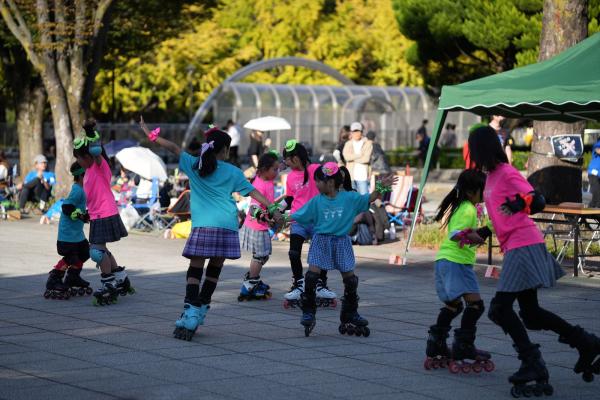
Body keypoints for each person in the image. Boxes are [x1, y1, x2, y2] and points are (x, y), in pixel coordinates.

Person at [469, 126, 600, 395]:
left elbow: (537, 199)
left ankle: (533, 362)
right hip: (515, 245)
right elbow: (500, 214)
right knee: (531, 314)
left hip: (524, 244)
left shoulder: (506, 172)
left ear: (480, 148)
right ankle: (586, 343)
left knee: (500, 309)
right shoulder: (491, 176)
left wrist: (521, 203)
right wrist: (481, 233)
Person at [140, 117, 281, 341]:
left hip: (204, 225)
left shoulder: (194, 164)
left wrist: (151, 135)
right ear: (224, 150)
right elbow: (253, 192)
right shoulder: (233, 171)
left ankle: (191, 310)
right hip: (227, 226)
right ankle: (201, 309)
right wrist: (272, 208)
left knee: (195, 270)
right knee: (214, 270)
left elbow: (174, 148)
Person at [290, 162, 396, 336]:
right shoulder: (317, 201)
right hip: (321, 241)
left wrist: (380, 188)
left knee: (350, 280)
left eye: (318, 181)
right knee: (311, 277)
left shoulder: (349, 198)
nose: (316, 184)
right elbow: (298, 215)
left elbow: (369, 198)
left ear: (330, 182)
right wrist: (279, 218)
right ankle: (308, 311)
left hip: (341, 242)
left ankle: (350, 312)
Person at [424, 169, 494, 373]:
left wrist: (479, 232)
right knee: (476, 306)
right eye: (483, 189)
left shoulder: (462, 206)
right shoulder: (468, 209)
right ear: (472, 191)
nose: (486, 193)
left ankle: (436, 343)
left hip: (445, 261)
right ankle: (464, 346)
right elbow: (456, 233)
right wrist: (471, 236)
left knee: (454, 306)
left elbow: (462, 232)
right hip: (456, 263)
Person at [73, 119, 132, 306]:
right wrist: (85, 213)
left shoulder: (100, 166)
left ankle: (109, 284)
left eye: (79, 158)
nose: (78, 162)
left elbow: (96, 150)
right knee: (102, 249)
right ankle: (120, 278)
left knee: (96, 252)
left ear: (88, 156)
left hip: (105, 214)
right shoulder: (89, 171)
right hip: (98, 214)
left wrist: (90, 132)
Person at [282, 139, 336, 308]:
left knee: (321, 253)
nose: (285, 163)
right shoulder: (290, 176)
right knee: (293, 252)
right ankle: (299, 284)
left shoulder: (316, 170)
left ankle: (320, 284)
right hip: (299, 220)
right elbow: (290, 198)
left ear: (296, 158)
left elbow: (331, 178)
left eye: (287, 159)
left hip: (318, 220)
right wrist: (276, 210)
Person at [44, 162, 92, 300]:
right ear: (82, 176)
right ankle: (54, 279)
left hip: (77, 235)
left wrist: (86, 215)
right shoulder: (77, 190)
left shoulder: (82, 189)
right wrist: (81, 216)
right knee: (72, 257)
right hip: (67, 235)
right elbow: (66, 207)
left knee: (85, 252)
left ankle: (73, 277)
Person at [238, 152, 280, 301]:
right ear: (264, 169)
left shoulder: (267, 178)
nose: (277, 172)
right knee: (260, 256)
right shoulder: (259, 184)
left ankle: (252, 278)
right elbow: (253, 209)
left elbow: (281, 165)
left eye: (278, 169)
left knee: (263, 255)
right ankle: (250, 283)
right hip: (256, 226)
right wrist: (268, 219)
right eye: (274, 169)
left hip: (261, 226)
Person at [343, 122, 373, 194]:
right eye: (354, 131)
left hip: (363, 177)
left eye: (358, 131)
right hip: (351, 177)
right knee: (351, 198)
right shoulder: (348, 144)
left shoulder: (368, 143)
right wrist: (360, 155)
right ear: (351, 133)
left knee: (364, 198)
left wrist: (352, 158)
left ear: (361, 132)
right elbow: (346, 157)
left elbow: (366, 159)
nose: (356, 133)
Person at [587, 136, 600, 207]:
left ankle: (592, 207)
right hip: (593, 173)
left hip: (598, 174)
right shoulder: (598, 144)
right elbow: (597, 150)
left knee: (596, 194)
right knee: (596, 192)